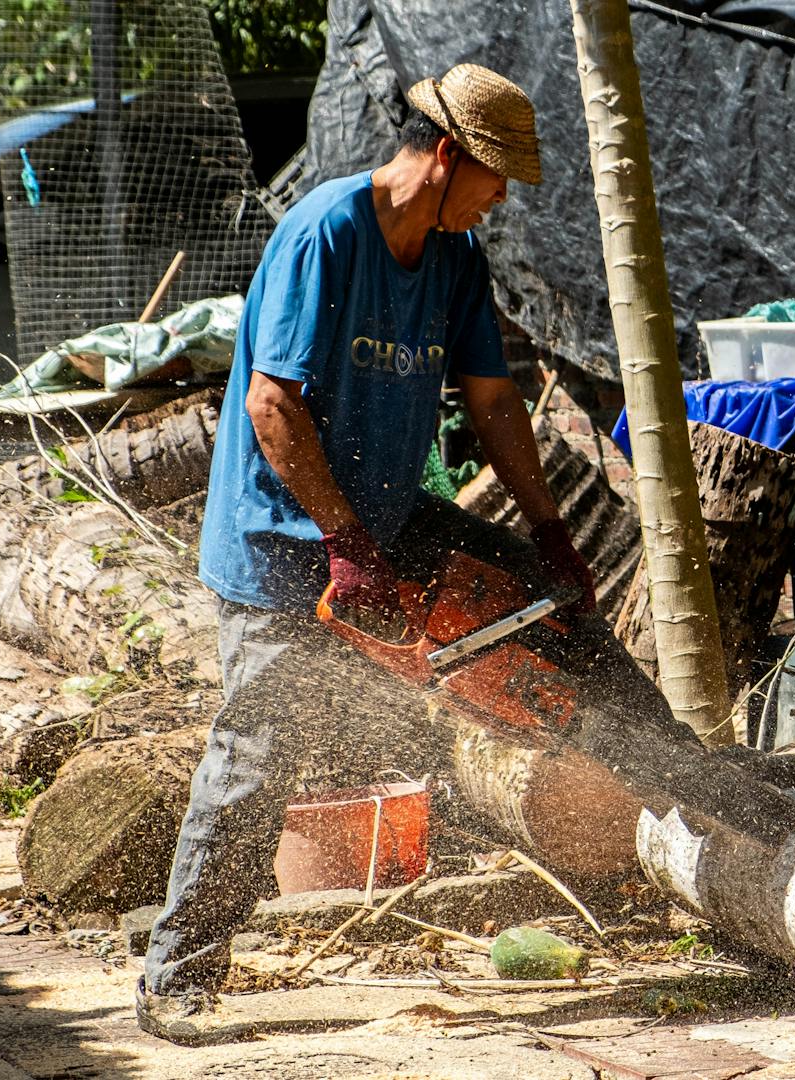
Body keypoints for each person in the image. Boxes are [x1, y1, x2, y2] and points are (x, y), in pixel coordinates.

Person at [135, 63, 686, 1045]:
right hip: (283, 545)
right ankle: (178, 974)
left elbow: (494, 400)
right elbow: (273, 405)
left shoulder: (453, 257)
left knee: (553, 607)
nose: (502, 199)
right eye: (495, 178)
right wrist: (342, 545)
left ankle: (690, 781)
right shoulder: (325, 236)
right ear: (446, 158)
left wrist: (549, 529)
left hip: (389, 520)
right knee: (260, 757)